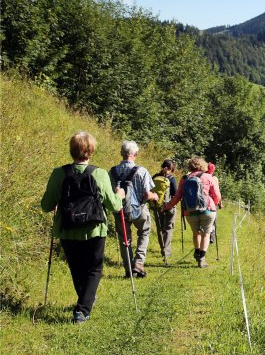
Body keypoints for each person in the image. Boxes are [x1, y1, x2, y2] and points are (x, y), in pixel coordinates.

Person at [41, 132, 124, 324]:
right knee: (94, 268)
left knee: (77, 268)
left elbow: (46, 205)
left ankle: (84, 302)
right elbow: (114, 206)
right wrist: (120, 194)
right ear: (91, 151)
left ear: (71, 150)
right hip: (94, 228)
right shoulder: (99, 174)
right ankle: (83, 309)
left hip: (67, 228)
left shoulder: (58, 173)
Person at [109, 140, 157, 278]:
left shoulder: (112, 172)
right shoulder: (141, 171)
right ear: (135, 154)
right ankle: (139, 263)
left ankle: (129, 269)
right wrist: (155, 196)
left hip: (120, 210)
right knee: (145, 231)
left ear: (121, 153)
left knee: (125, 239)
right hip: (139, 209)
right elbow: (147, 194)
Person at [165, 156, 221, 268]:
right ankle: (202, 258)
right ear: (202, 165)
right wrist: (214, 204)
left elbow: (177, 197)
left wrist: (167, 207)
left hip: (190, 211)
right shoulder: (208, 177)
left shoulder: (185, 178)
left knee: (196, 233)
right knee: (206, 233)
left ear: (190, 166)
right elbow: (217, 195)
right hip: (207, 210)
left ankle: (197, 250)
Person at [151, 159, 177, 265]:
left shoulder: (154, 177)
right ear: (171, 169)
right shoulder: (171, 178)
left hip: (157, 206)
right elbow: (175, 193)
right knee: (169, 228)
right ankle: (167, 251)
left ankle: (163, 249)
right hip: (168, 206)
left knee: (160, 228)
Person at [207, 162, 221, 244]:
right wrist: (220, 202)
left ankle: (206, 235)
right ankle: (211, 236)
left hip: (205, 201)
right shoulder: (214, 178)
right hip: (213, 202)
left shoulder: (203, 177)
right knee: (213, 219)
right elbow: (217, 191)